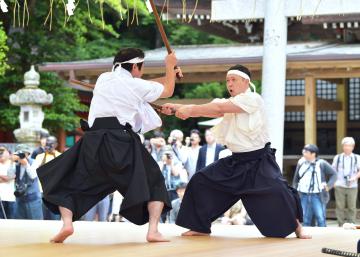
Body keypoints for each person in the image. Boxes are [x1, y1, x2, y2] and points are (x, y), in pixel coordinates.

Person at [37, 48, 182, 243]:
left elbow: (138, 85)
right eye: (141, 68)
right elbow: (168, 90)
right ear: (135, 67)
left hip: (92, 140)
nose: (142, 72)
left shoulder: (104, 78)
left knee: (67, 178)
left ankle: (67, 223)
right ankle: (153, 230)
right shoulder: (136, 85)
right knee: (154, 180)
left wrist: (169, 74)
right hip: (120, 140)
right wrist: (170, 67)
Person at [162, 64, 310, 239]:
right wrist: (176, 106)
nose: (229, 84)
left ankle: (297, 226)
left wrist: (189, 110)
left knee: (278, 191)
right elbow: (211, 107)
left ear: (246, 82)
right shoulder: (229, 103)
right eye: (227, 81)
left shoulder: (253, 99)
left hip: (258, 161)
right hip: (235, 162)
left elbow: (216, 108)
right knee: (201, 181)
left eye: (233, 80)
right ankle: (199, 226)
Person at [293, 144, 337, 227]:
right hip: (303, 194)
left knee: (320, 218)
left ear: (313, 154)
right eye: (304, 151)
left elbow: (334, 174)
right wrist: (294, 191)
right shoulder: (301, 162)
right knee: (305, 219)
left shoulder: (321, 163)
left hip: (317, 194)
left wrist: (328, 186)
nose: (304, 153)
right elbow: (296, 179)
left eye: (306, 152)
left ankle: (323, 237)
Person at [31, 136, 61, 220]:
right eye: (47, 143)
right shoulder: (39, 156)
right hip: (41, 191)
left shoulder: (60, 156)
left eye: (51, 144)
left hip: (55, 192)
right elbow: (33, 173)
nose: (48, 145)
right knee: (42, 217)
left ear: (56, 145)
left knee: (55, 218)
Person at [332, 137, 360, 226]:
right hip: (340, 185)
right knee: (340, 206)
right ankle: (340, 224)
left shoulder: (357, 158)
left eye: (349, 146)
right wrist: (334, 182)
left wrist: (355, 178)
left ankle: (352, 224)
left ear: (353, 147)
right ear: (342, 146)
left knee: (352, 207)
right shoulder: (338, 157)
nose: (347, 147)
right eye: (345, 145)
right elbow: (333, 171)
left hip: (353, 185)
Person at [11, 144, 43, 220]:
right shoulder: (16, 164)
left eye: (24, 153)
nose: (22, 155)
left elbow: (33, 175)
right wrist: (11, 162)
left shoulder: (34, 162)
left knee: (36, 223)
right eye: (20, 153)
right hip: (19, 198)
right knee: (19, 224)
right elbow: (10, 175)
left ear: (28, 153)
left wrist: (26, 164)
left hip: (33, 199)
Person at [0, 146, 16, 219]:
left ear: (8, 153)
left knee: (10, 221)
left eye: (3, 151)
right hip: (1, 198)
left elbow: (10, 177)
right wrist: (6, 178)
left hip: (10, 198)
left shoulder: (12, 163)